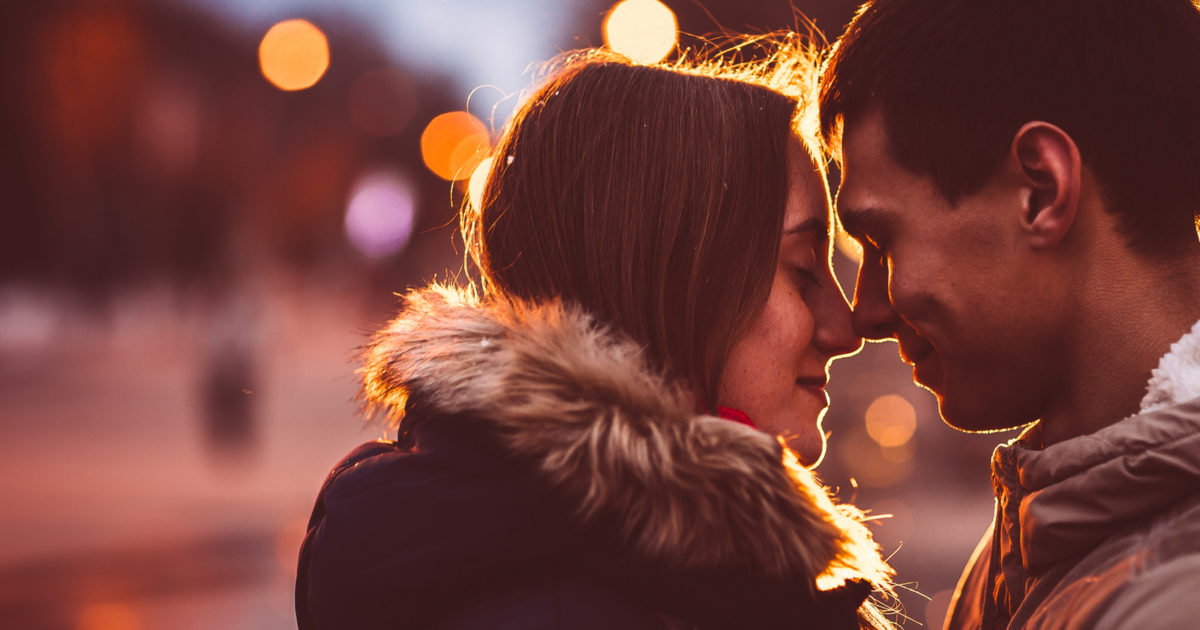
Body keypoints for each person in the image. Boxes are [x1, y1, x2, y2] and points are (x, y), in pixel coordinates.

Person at [295, 43, 896, 630]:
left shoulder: (667, 571)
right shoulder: (563, 608)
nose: (845, 329)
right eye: (802, 271)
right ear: (671, 280)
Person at [817, 1, 1200, 628]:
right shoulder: (1038, 540)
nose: (866, 314)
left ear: (1040, 191)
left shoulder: (1171, 600)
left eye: (882, 242)